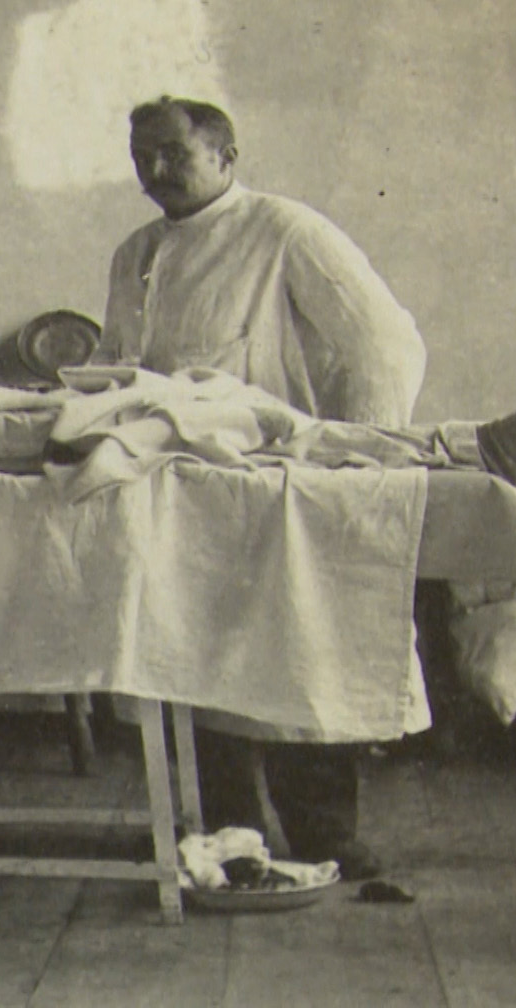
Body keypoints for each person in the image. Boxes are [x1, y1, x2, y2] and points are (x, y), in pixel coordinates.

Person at [94, 95, 428, 880]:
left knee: (298, 653)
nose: (154, 169)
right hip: (178, 487)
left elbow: (383, 342)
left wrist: (354, 454)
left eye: (173, 152)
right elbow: (120, 362)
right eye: (141, 154)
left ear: (225, 155)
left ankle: (324, 832)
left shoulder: (283, 231)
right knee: (196, 655)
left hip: (281, 486)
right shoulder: (133, 253)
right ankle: (232, 833)